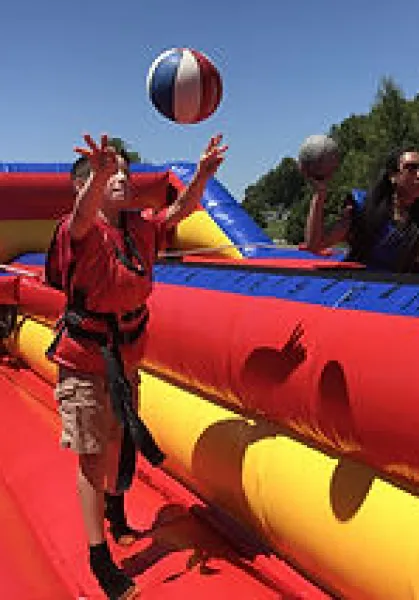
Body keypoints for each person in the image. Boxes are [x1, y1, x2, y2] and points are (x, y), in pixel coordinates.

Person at [45, 132, 227, 600]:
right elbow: (84, 214)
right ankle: (99, 556)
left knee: (120, 437)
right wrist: (99, 173)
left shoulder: (139, 227)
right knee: (92, 455)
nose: (122, 177)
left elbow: (180, 209)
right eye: (111, 172)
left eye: (125, 171)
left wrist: (203, 174)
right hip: (85, 362)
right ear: (88, 184)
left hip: (125, 357)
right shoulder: (77, 229)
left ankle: (116, 506)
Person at [304, 148, 419, 277]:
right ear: (393, 175)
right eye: (411, 169)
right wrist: (320, 195)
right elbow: (315, 244)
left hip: (407, 302)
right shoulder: (363, 210)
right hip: (362, 296)